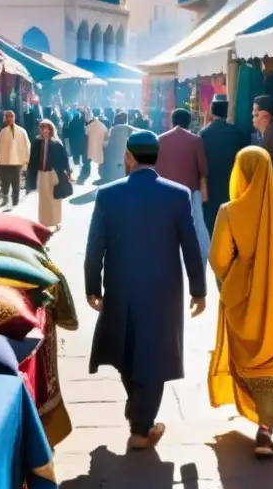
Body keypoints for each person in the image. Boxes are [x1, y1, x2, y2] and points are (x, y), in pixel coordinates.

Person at [85, 130, 207, 449]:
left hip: (121, 286)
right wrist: (199, 289)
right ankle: (141, 427)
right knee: (154, 355)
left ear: (128, 157)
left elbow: (95, 245)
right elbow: (190, 247)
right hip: (163, 292)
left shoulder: (108, 194)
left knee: (127, 350)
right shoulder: (177, 195)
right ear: (157, 157)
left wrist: (91, 286)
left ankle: (138, 413)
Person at [207, 146, 273, 457]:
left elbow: (218, 259)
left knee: (245, 357)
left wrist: (235, 279)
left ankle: (252, 407)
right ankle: (266, 428)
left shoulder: (229, 212)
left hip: (242, 300)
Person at [157, 108, 210, 262]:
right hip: (189, 191)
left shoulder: (160, 139)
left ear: (172, 121)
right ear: (189, 122)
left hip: (165, 191)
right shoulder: (196, 140)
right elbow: (203, 168)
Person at [199, 94, 249, 236]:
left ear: (212, 112)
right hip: (232, 185)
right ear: (226, 113)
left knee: (212, 224)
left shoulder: (203, 134)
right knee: (230, 225)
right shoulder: (238, 133)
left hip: (210, 186)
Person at [26, 119, 71, 231]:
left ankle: (56, 221)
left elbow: (64, 160)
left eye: (46, 129)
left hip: (53, 174)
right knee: (43, 199)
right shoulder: (37, 142)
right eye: (42, 129)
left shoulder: (56, 143)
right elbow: (33, 159)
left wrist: (67, 173)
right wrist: (30, 175)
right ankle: (44, 222)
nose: (44, 131)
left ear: (51, 130)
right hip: (41, 174)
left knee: (54, 198)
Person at [0, 110, 30, 208]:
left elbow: (27, 146)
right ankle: (5, 199)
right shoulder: (2, 131)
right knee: (5, 182)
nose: (9, 118)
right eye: (7, 116)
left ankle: (15, 201)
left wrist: (25, 161)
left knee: (15, 182)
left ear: (14, 118)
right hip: (4, 162)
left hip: (17, 161)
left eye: (11, 116)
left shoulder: (21, 131)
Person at [102, 111, 135, 184]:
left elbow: (104, 145)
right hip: (124, 157)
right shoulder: (129, 129)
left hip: (113, 158)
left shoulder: (111, 130)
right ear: (125, 120)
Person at [86, 110, 109, 180]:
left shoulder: (90, 124)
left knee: (91, 157)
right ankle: (101, 175)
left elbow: (86, 133)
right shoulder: (104, 124)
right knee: (101, 159)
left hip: (92, 144)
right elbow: (106, 134)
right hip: (102, 145)